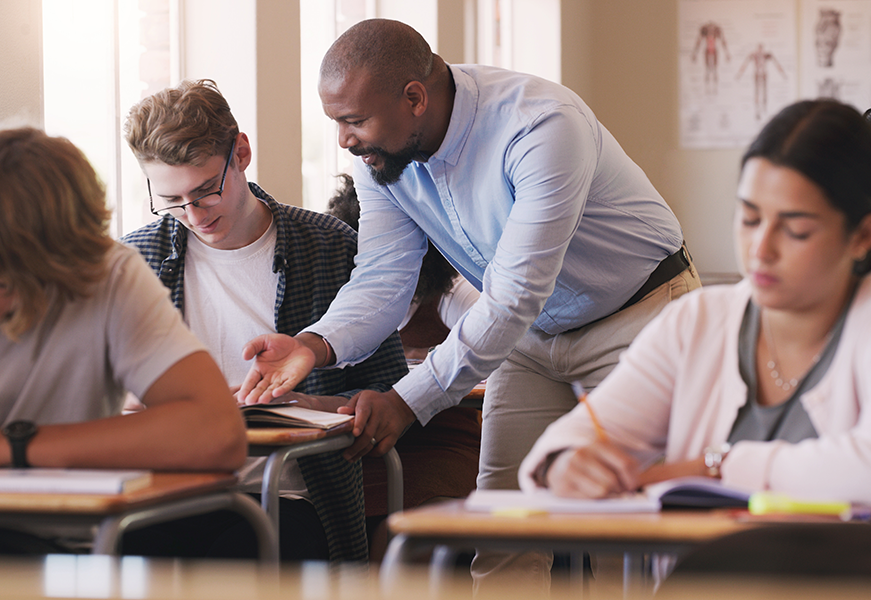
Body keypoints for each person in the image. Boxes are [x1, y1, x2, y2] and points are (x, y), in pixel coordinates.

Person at [238, 18, 700, 589]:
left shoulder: (540, 126)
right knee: (504, 534)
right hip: (531, 342)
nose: (344, 141)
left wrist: (407, 402)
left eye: (354, 121)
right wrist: (312, 345)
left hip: (638, 319)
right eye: (336, 121)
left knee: (626, 539)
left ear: (414, 98)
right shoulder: (381, 158)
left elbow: (512, 296)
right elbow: (383, 277)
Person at [519, 99, 871, 508]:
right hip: (698, 573)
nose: (761, 249)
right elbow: (582, 435)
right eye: (750, 219)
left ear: (862, 236)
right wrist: (563, 464)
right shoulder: (698, 320)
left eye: (796, 230)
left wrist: (720, 467)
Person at [120, 79, 407, 563]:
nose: (193, 215)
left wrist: (307, 403)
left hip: (290, 497)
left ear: (242, 152)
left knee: (236, 561)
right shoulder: (137, 260)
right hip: (161, 489)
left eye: (207, 191)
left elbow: (387, 392)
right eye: (171, 200)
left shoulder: (328, 246)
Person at [0, 127, 247, 552]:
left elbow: (218, 433)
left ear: (59, 270)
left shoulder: (107, 275)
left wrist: (4, 447)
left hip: (52, 542)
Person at [327, 173, 481, 560]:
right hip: (364, 448)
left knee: (396, 539)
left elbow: (504, 341)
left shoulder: (450, 295)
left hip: (440, 444)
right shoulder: (343, 308)